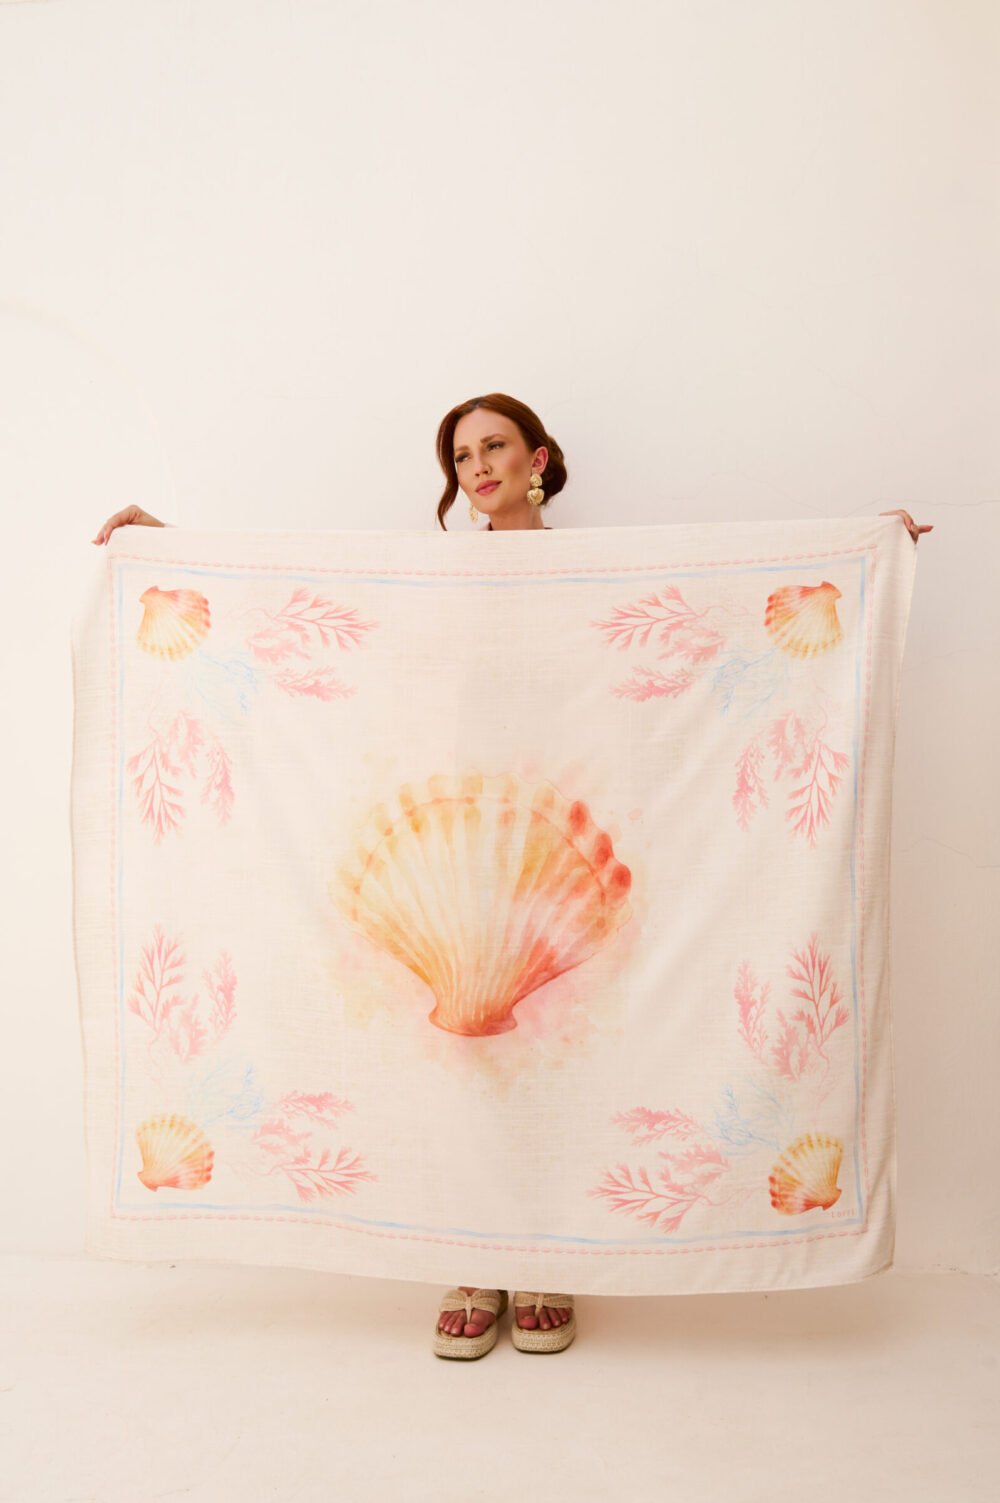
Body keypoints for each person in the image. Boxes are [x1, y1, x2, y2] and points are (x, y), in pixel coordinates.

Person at [90, 394, 933, 1360]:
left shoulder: (597, 576)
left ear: (538, 458)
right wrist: (162, 549)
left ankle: (545, 1258)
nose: (477, 467)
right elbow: (306, 621)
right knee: (459, 1071)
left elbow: (694, 635)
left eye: (494, 446)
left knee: (564, 1074)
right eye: (460, 456)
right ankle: (471, 1258)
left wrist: (867, 551)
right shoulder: (426, 579)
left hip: (554, 844)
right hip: (456, 839)